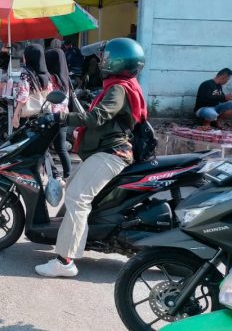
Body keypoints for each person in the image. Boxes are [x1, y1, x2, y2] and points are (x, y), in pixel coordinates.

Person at [35, 38, 147, 278]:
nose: (99, 62)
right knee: (72, 186)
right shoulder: (121, 84)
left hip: (111, 154)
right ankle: (67, 238)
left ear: (114, 61)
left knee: (77, 198)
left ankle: (65, 262)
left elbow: (98, 117)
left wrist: (63, 118)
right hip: (105, 151)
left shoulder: (118, 88)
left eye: (103, 58)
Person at [45, 48, 72, 179]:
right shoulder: (66, 79)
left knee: (43, 149)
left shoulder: (51, 78)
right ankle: (68, 176)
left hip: (52, 118)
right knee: (61, 148)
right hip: (64, 117)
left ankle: (54, 174)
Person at [11, 45, 51, 130]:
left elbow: (23, 95)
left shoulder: (26, 72)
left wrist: (16, 114)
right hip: (43, 114)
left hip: (28, 115)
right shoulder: (47, 74)